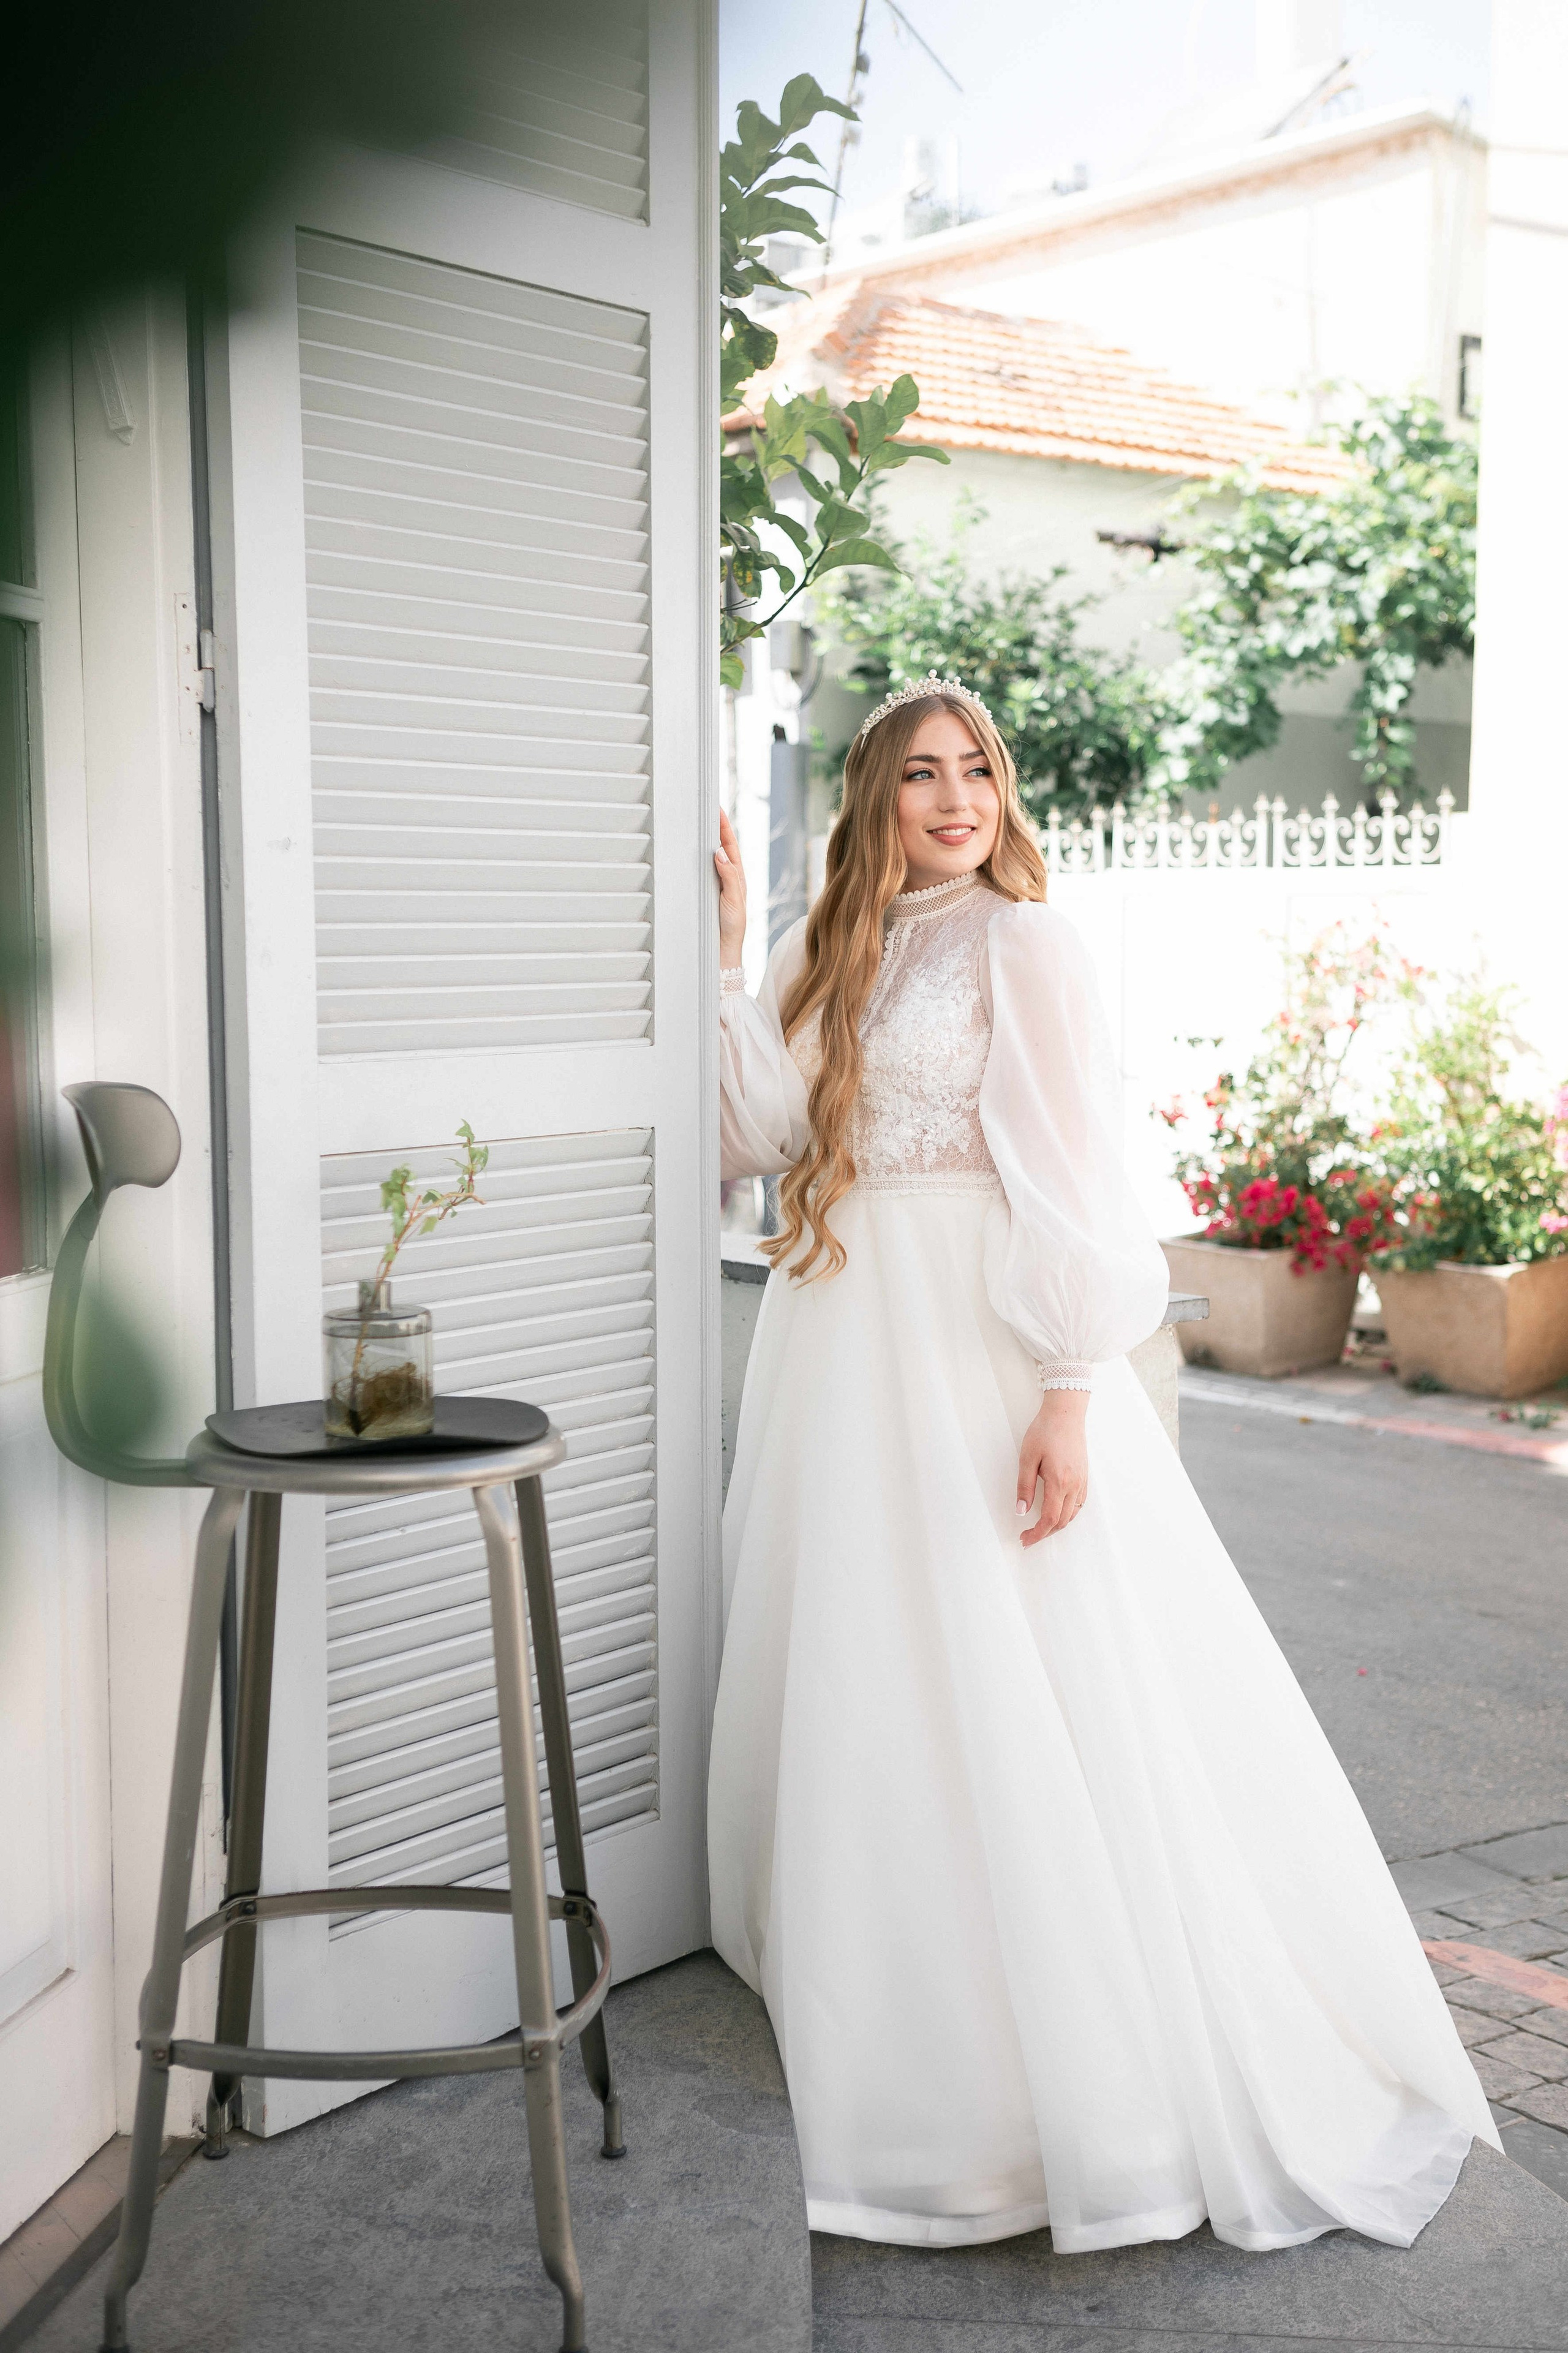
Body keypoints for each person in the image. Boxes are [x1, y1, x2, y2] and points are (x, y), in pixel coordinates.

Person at [706, 674, 1495, 2256]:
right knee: (873, 1644)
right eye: (920, 774)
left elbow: (1074, 1176)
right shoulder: (839, 943)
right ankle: (886, 1955)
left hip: (976, 1342)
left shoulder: (1027, 942)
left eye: (978, 770)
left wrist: (1070, 1387)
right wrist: (731, 950)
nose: (954, 798)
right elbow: (751, 1134)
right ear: (873, 801)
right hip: (840, 1336)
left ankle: (1052, 2038)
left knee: (1012, 1648)